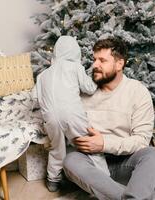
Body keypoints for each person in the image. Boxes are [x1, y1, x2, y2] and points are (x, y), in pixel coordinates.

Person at [63, 37, 155, 200]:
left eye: (102, 60)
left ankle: (127, 194)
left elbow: (141, 141)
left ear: (119, 64)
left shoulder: (137, 92)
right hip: (92, 164)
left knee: (154, 155)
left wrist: (104, 143)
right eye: (94, 59)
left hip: (126, 162)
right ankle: (131, 197)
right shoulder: (82, 93)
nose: (95, 65)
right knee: (71, 160)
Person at [34, 36, 110, 192]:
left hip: (50, 118)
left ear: (55, 53)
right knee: (88, 143)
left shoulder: (42, 76)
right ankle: (105, 178)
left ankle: (53, 180)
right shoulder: (74, 67)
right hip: (72, 114)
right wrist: (95, 78)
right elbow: (88, 88)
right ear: (76, 52)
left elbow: (34, 97)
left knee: (56, 148)